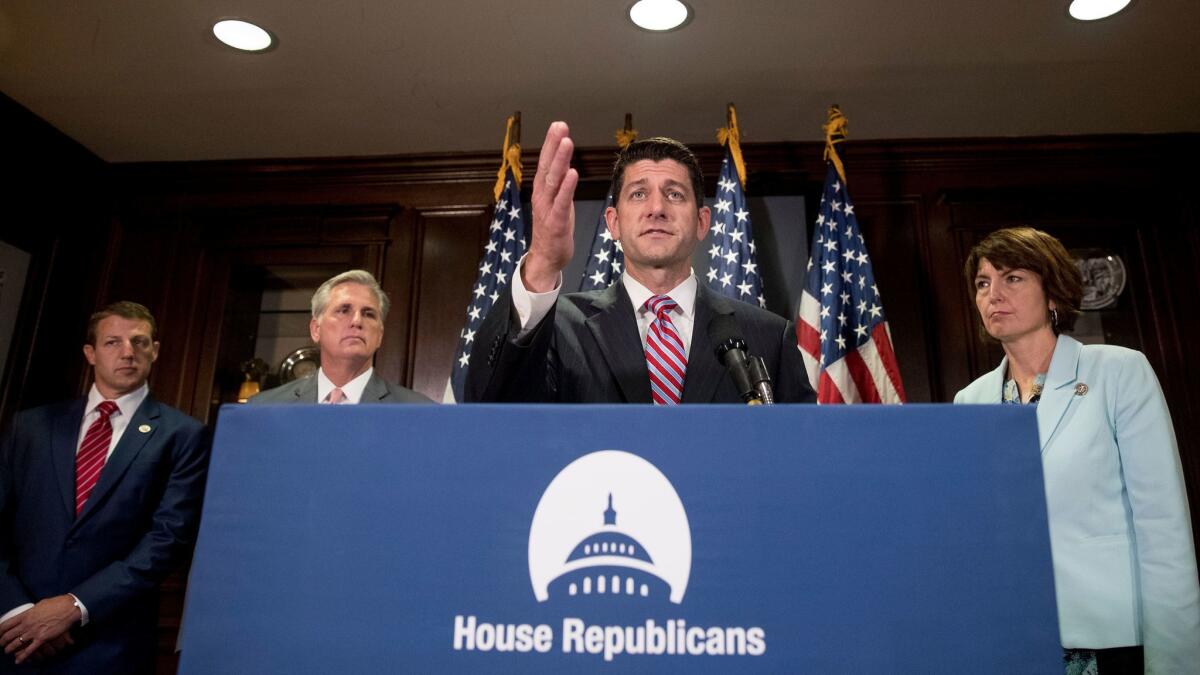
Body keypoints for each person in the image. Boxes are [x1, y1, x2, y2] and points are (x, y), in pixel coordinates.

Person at [954, 227, 1199, 674]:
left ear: (1053, 294)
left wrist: (1175, 661)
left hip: (1109, 636)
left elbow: (1162, 523)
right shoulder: (969, 400)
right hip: (1013, 636)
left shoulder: (1118, 372)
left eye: (1013, 278)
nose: (993, 294)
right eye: (983, 283)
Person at [465, 122, 815, 404]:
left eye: (675, 194)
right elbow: (490, 403)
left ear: (703, 222)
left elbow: (802, 458)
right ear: (613, 223)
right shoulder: (560, 329)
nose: (657, 208)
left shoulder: (768, 336)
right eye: (639, 193)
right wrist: (541, 262)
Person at [0, 301, 209, 674]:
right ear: (90, 353)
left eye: (140, 342)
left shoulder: (183, 435)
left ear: (155, 351)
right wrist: (19, 612)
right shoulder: (31, 427)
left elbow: (167, 539)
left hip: (111, 643)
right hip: (16, 636)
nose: (128, 352)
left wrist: (74, 607)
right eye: (113, 342)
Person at [250, 269, 430, 404]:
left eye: (369, 314)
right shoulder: (264, 408)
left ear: (380, 336)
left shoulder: (420, 412)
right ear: (316, 329)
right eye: (343, 311)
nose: (357, 321)